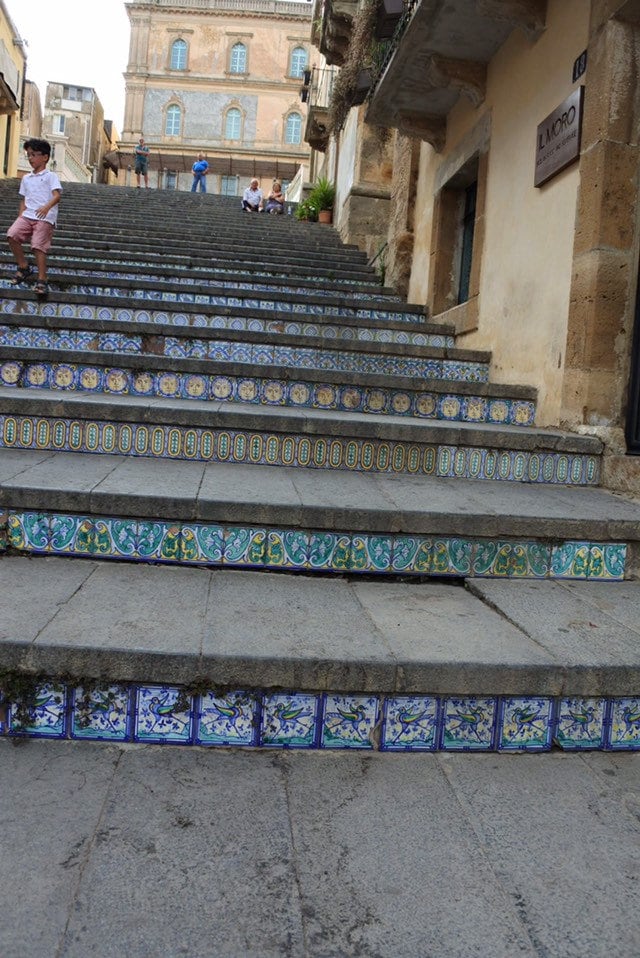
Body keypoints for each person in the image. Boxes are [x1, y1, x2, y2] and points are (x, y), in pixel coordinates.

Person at [7, 137, 62, 298]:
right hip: (28, 214)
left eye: (34, 155)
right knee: (12, 234)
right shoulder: (26, 178)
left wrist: (46, 208)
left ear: (45, 157)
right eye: (28, 155)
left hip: (45, 217)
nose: (30, 158)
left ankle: (42, 279)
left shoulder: (51, 176)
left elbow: (57, 195)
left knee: (38, 245)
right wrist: (20, 217)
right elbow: (24, 199)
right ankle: (23, 266)